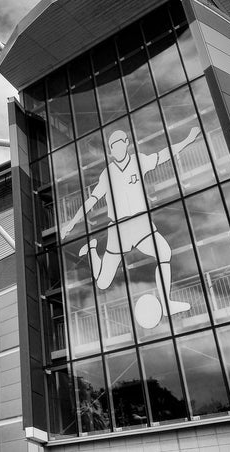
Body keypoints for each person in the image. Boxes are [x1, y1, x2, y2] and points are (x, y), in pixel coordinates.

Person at [60, 126, 201, 317]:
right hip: (119, 230)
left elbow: (163, 154)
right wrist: (70, 224)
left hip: (141, 224)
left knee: (164, 253)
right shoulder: (107, 174)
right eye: (113, 148)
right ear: (110, 152)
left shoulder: (139, 161)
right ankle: (92, 249)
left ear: (126, 144)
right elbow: (91, 201)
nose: (116, 150)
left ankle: (167, 304)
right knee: (102, 283)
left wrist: (187, 140)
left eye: (119, 145)